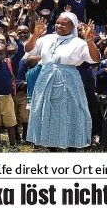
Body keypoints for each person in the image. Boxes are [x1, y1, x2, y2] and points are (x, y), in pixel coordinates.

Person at [25, 12, 100, 150]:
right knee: (45, 110)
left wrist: (89, 41)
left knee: (69, 112)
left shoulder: (79, 43)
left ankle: (71, 145)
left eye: (64, 24)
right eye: (58, 22)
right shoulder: (47, 38)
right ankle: (50, 146)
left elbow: (95, 58)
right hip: (45, 79)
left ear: (73, 27)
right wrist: (35, 35)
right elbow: (29, 49)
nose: (59, 25)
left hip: (68, 80)